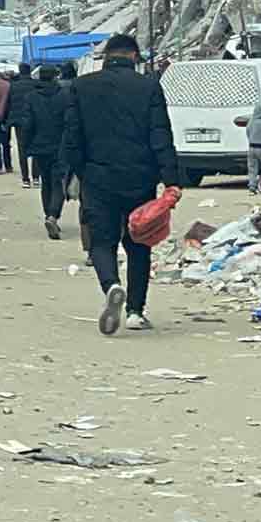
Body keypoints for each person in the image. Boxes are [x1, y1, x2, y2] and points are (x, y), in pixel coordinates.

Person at [58, 33, 179, 335]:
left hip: (98, 177)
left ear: (106, 57)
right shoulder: (149, 86)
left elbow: (72, 137)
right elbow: (160, 134)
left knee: (102, 241)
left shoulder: (82, 87)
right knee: (139, 241)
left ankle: (111, 284)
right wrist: (171, 180)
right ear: (135, 57)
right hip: (140, 178)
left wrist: (80, 171)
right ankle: (136, 311)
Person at [15, 64, 74, 239]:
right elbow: (69, 122)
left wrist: (25, 146)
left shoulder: (31, 97)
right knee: (58, 183)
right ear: (55, 77)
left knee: (46, 182)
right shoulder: (65, 96)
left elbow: (27, 124)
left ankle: (48, 214)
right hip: (60, 147)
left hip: (40, 147)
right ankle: (53, 215)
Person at [6, 63, 37, 186]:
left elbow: (9, 103)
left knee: (22, 149)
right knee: (36, 147)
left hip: (18, 121)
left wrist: (7, 120)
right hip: (34, 120)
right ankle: (36, 177)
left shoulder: (13, 86)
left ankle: (25, 179)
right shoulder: (36, 85)